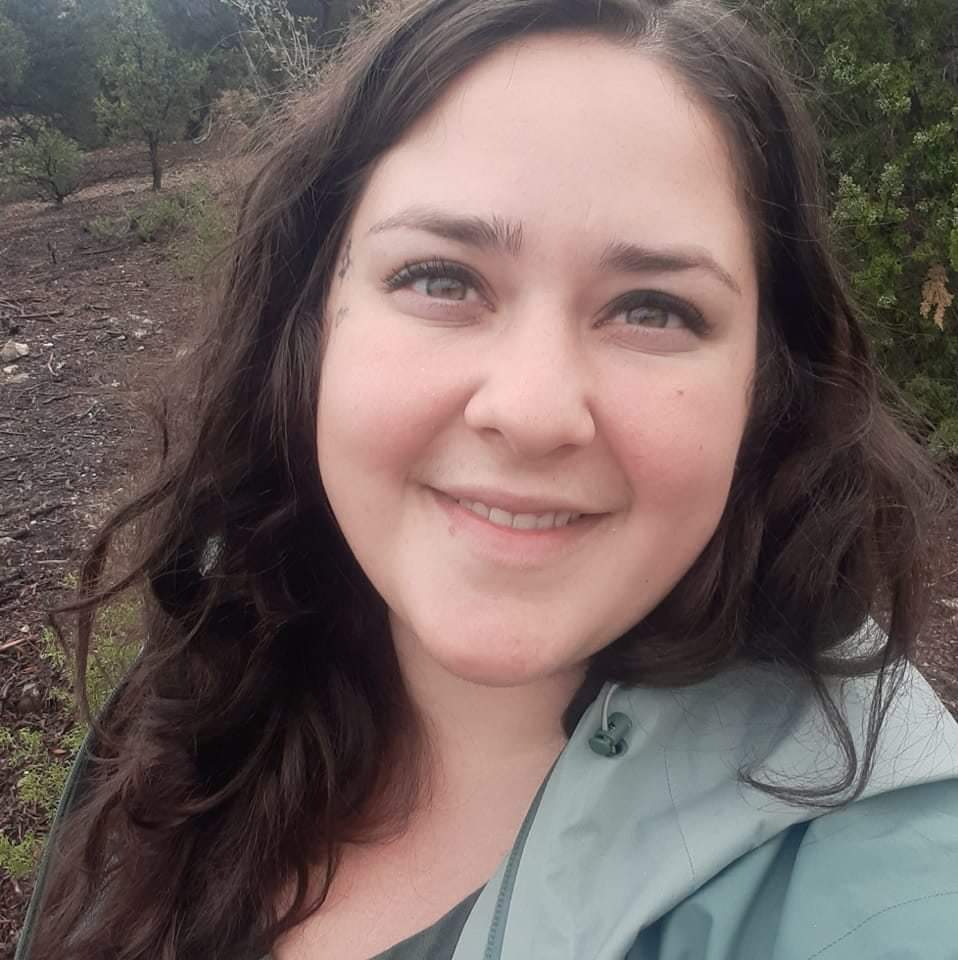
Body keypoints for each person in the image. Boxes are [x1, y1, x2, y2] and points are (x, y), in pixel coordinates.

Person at [16, 0, 958, 958]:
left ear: (769, 383)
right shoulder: (206, 687)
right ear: (312, 322)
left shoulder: (878, 897)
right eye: (441, 279)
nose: (532, 409)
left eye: (652, 308)